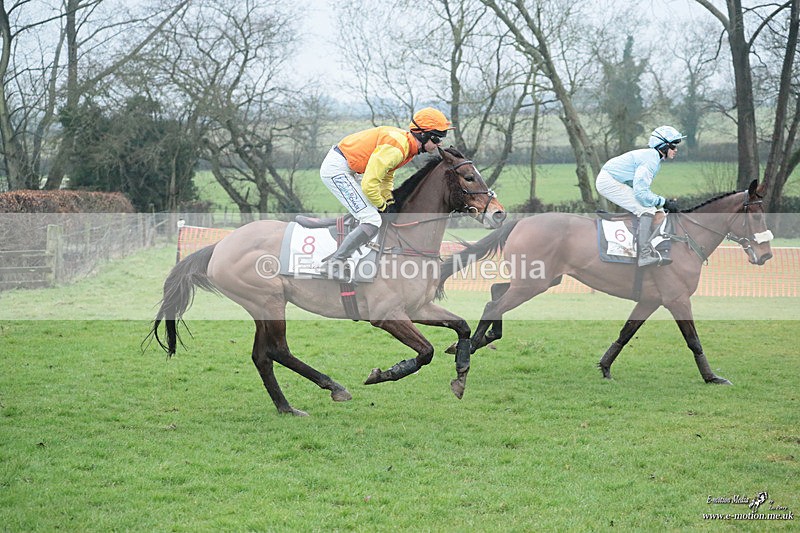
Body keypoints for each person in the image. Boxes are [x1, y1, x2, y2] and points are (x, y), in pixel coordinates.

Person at [319, 107, 453, 279]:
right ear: (423, 134)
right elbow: (369, 185)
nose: (439, 144)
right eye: (436, 139)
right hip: (338, 170)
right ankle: (334, 263)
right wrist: (382, 206)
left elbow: (387, 176)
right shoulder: (398, 148)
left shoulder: (407, 147)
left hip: (353, 169)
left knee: (372, 212)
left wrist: (389, 200)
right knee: (372, 218)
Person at [595, 125, 686, 267]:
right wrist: (664, 202)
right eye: (673, 147)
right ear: (662, 147)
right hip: (608, 181)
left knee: (650, 207)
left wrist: (660, 203)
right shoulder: (651, 160)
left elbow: (639, 191)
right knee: (647, 210)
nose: (676, 150)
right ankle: (644, 255)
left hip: (610, 179)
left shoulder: (653, 157)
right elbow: (641, 193)